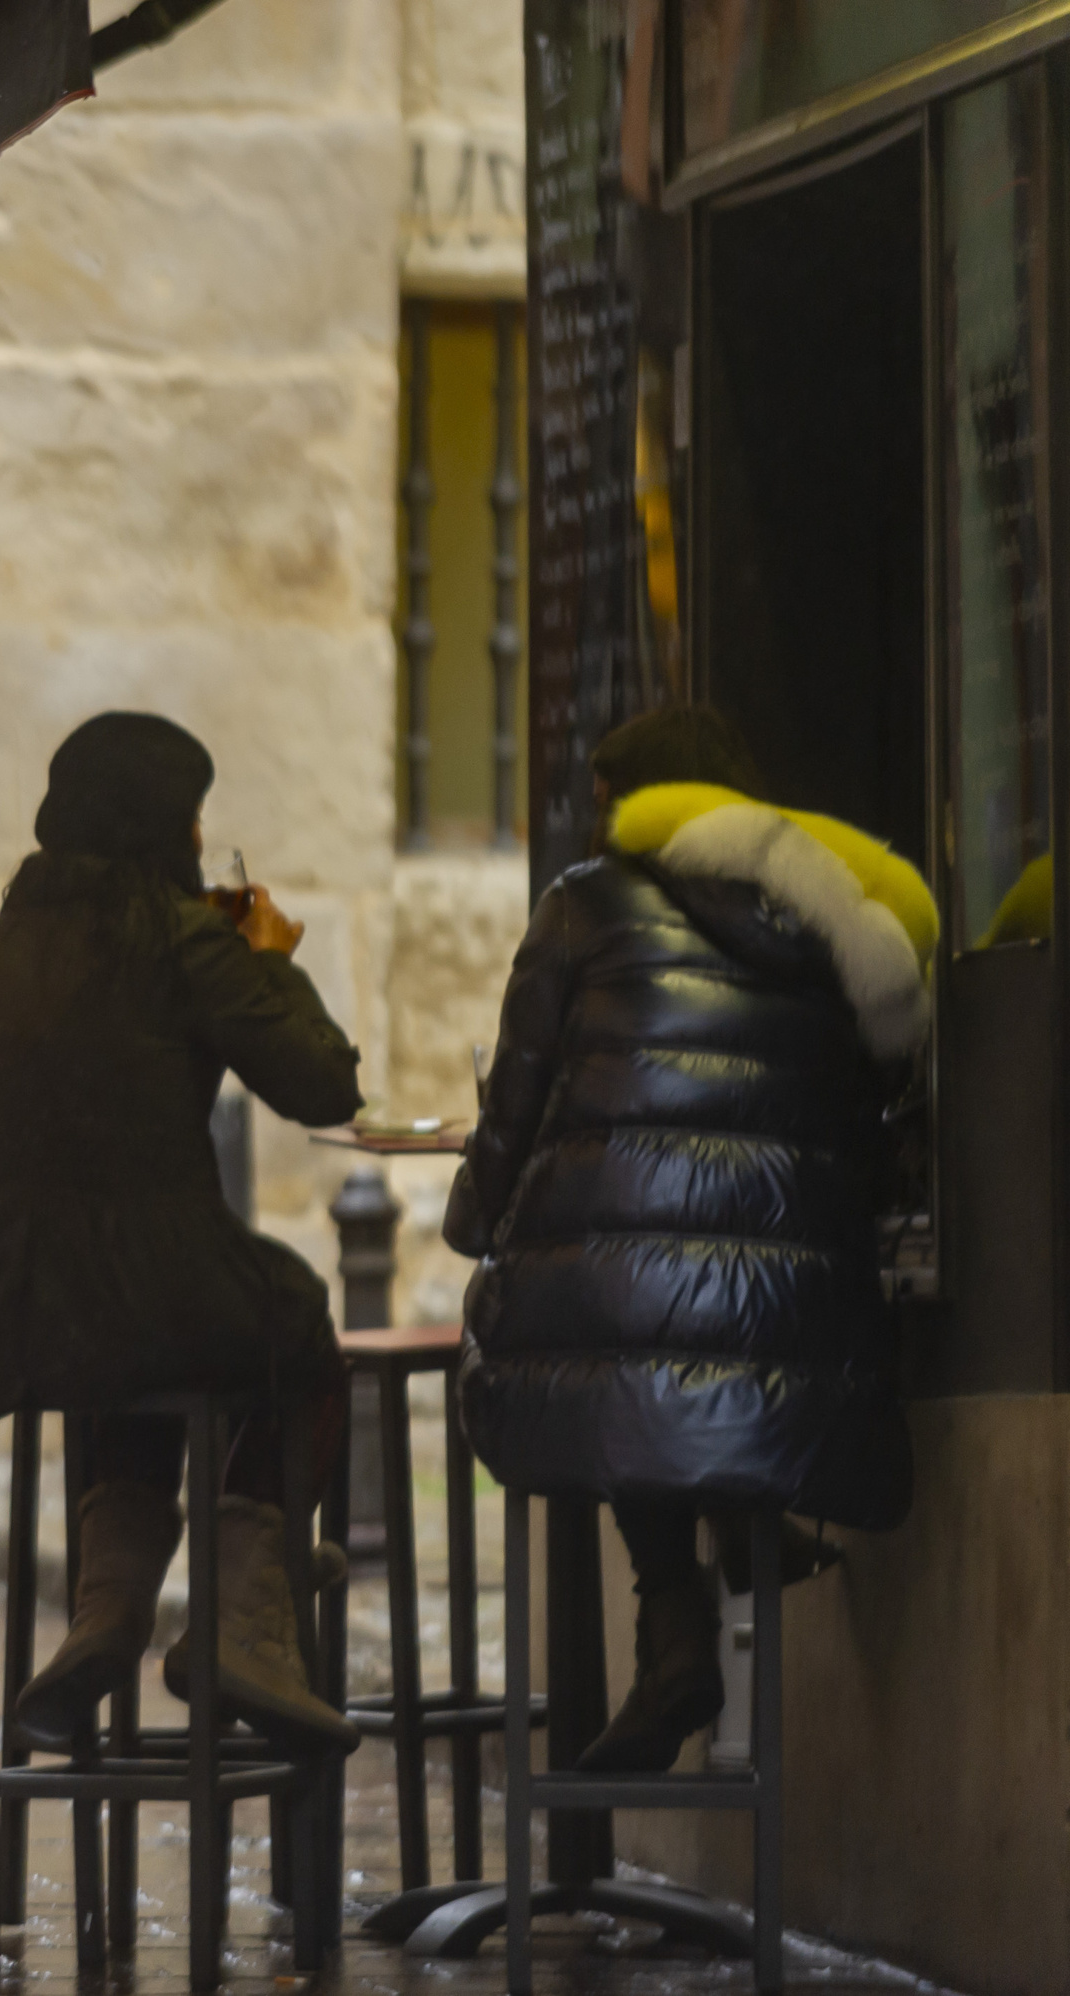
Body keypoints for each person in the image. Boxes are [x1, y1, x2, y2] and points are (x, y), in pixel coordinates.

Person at [448, 704, 931, 1773]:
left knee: (623, 1331)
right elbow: (871, 1112)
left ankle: (676, 1628)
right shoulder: (830, 922)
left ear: (632, 804)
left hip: (625, 1326)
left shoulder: (581, 910)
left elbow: (515, 1103)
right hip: (801, 1338)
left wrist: (473, 1220)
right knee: (675, 1334)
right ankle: (733, 1546)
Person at [0, 712, 365, 1753]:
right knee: (291, 1330)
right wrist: (263, 952)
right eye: (193, 822)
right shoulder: (181, 942)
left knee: (142, 1337)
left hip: (0, 1305)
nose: (203, 845)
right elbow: (323, 1082)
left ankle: (108, 1612)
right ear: (164, 826)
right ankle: (247, 1616)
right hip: (143, 1280)